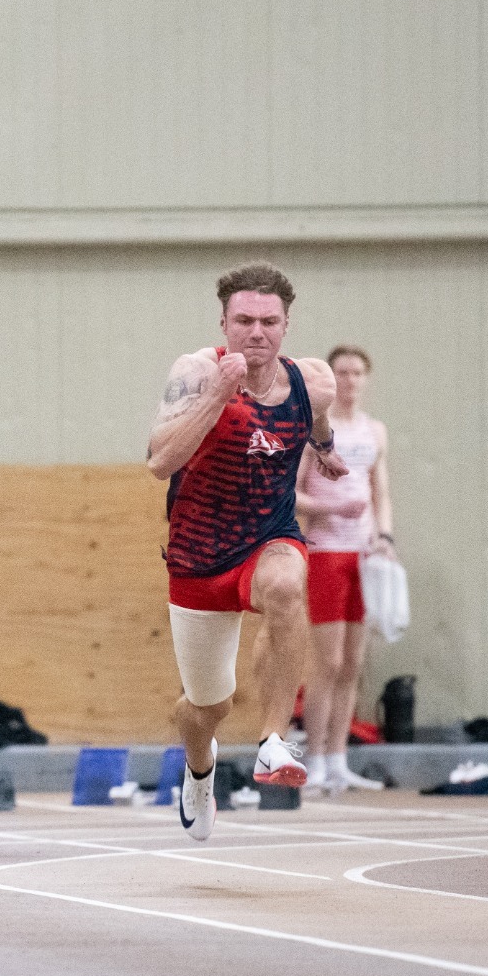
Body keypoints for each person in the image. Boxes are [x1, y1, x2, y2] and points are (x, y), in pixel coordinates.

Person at [148, 261, 347, 841]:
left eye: (268, 321)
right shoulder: (195, 372)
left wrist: (326, 450)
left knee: (288, 586)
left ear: (286, 325)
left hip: (269, 536)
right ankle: (199, 769)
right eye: (244, 321)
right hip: (197, 556)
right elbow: (160, 461)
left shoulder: (313, 380)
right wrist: (215, 396)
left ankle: (273, 741)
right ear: (224, 323)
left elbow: (318, 422)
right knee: (207, 707)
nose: (256, 332)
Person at [294, 345, 393, 793]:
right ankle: (313, 756)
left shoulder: (375, 431)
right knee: (327, 662)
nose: (350, 381)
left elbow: (381, 492)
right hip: (326, 551)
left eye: (357, 373)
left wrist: (385, 537)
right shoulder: (313, 430)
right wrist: (327, 507)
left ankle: (338, 757)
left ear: (366, 378)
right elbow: (290, 494)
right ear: (331, 380)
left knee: (353, 663)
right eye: (342, 373)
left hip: (363, 555)